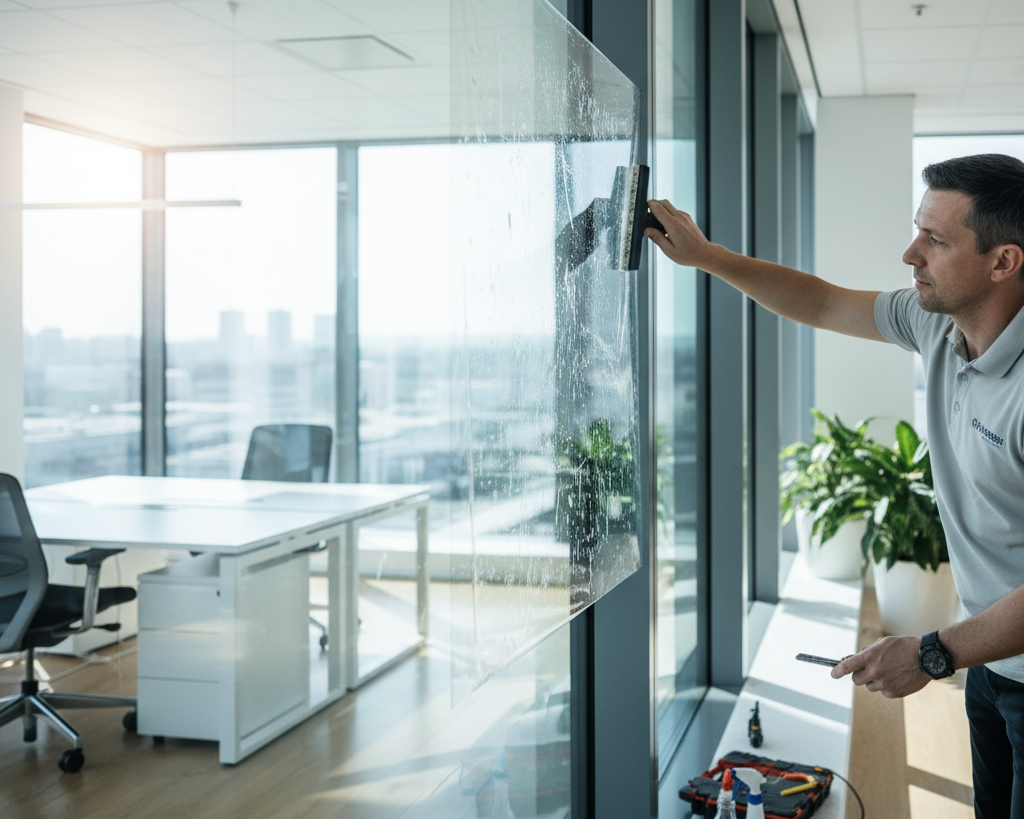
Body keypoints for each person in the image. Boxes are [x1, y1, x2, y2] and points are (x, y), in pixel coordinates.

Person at [645, 153, 1024, 818]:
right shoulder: (935, 321)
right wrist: (707, 257)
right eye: (918, 230)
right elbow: (821, 301)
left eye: (935, 240)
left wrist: (933, 651)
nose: (911, 254)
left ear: (1003, 262)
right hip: (993, 660)